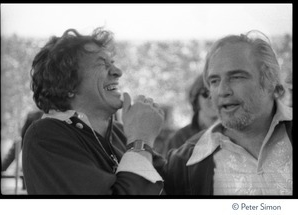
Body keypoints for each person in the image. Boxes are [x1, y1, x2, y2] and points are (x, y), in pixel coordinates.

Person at [22, 27, 165, 195]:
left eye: (112, 62)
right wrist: (140, 143)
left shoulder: (121, 131)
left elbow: (179, 180)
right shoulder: (45, 136)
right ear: (68, 84)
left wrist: (203, 137)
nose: (118, 71)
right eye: (102, 63)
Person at [152, 30, 292, 195]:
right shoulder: (183, 163)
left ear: (269, 80)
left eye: (236, 77)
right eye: (214, 81)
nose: (222, 91)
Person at [164, 74, 218, 155]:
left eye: (217, 93)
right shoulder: (179, 138)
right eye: (206, 93)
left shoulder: (235, 134)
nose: (212, 99)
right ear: (195, 98)